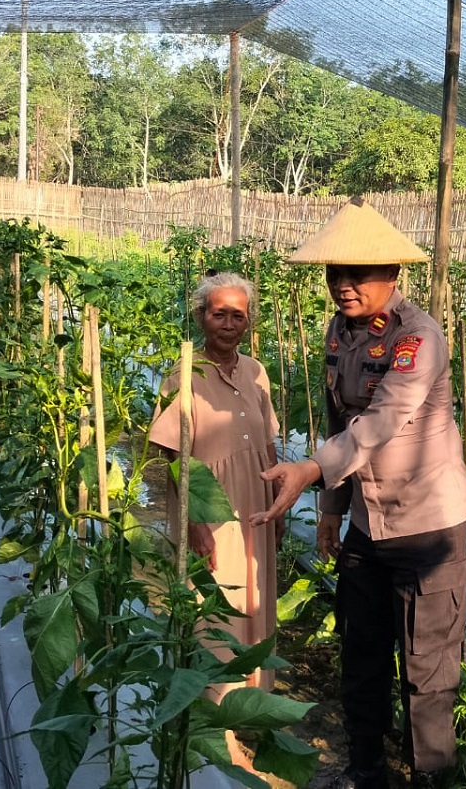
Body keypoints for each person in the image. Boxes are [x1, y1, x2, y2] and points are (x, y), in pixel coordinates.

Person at [254, 198, 466, 789]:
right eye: (335, 274)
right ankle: (365, 772)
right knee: (362, 652)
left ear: (392, 276)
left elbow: (383, 420)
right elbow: (338, 420)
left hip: (427, 524)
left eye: (357, 274)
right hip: (366, 522)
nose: (343, 286)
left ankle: (433, 777)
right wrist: (330, 507)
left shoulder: (417, 338)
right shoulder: (339, 332)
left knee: (428, 668)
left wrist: (308, 472)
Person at [148, 271, 281, 763]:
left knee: (256, 593)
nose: (228, 323)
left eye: (238, 315)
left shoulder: (256, 371)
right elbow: (167, 454)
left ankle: (252, 704)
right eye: (218, 313)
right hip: (212, 503)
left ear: (250, 321)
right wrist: (194, 521)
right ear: (201, 316)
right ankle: (213, 718)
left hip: (256, 502)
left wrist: (280, 499)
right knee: (216, 604)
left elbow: (267, 441)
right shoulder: (183, 375)